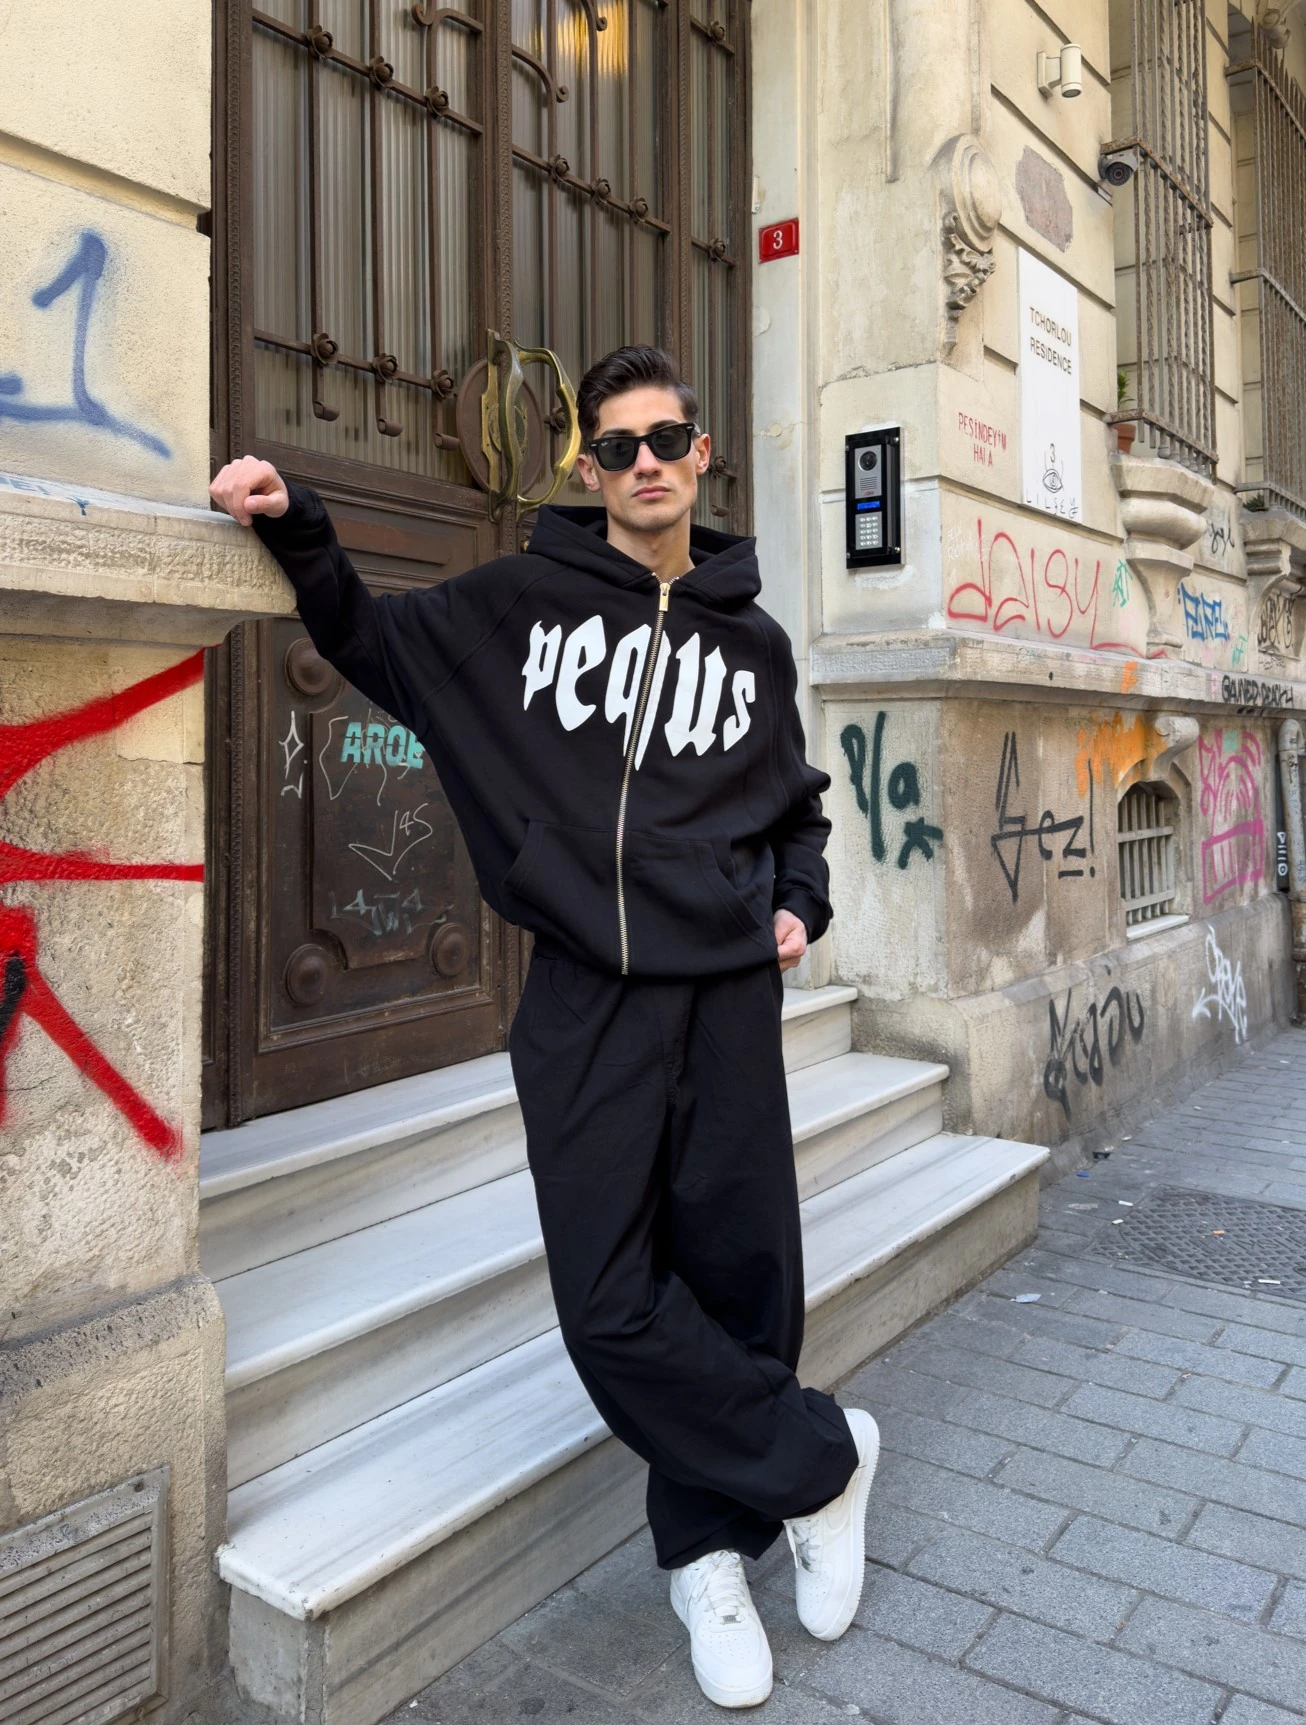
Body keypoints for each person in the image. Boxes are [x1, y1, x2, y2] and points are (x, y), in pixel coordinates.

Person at [210, 345, 878, 1711]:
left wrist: (799, 902)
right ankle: (825, 1465)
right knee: (611, 1303)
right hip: (582, 993)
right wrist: (297, 524)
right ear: (588, 468)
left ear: (701, 455)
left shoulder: (753, 644)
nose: (645, 464)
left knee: (740, 1274)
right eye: (618, 446)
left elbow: (796, 808)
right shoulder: (520, 604)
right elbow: (370, 641)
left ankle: (708, 1560)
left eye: (666, 440)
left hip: (724, 995)